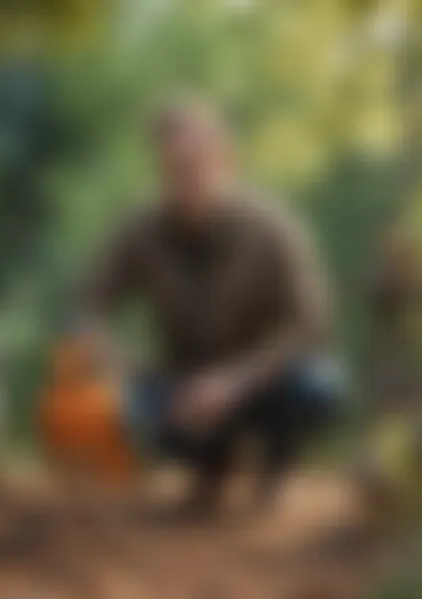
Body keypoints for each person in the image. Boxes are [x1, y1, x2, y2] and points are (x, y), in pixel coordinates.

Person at [82, 99, 345, 519]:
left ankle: (275, 467)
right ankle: (208, 468)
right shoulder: (139, 230)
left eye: (198, 160)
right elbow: (88, 303)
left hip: (261, 377)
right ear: (160, 167)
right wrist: (115, 357)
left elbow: (312, 322)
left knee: (319, 386)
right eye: (174, 164)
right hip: (179, 380)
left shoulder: (274, 227)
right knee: (131, 406)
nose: (187, 175)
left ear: (225, 159)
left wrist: (237, 380)